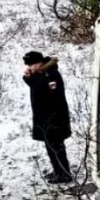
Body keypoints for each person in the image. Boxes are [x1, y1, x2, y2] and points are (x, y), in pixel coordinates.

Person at [23, 51, 73, 184]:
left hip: (55, 119)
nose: (30, 67)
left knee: (57, 148)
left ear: (39, 63)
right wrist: (30, 78)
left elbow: (45, 92)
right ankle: (58, 171)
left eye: (32, 64)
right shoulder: (42, 74)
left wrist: (30, 79)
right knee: (51, 147)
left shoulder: (50, 74)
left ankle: (64, 174)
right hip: (46, 118)